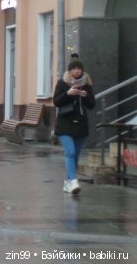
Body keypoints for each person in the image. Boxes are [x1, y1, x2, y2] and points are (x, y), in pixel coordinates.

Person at [53, 54, 96, 195]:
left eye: (79, 69)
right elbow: (56, 102)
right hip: (65, 123)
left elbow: (92, 105)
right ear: (69, 70)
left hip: (80, 123)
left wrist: (85, 96)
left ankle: (68, 182)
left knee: (76, 155)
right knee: (70, 152)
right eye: (74, 69)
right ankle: (73, 180)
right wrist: (68, 94)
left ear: (82, 70)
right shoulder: (62, 83)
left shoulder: (87, 84)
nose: (76, 71)